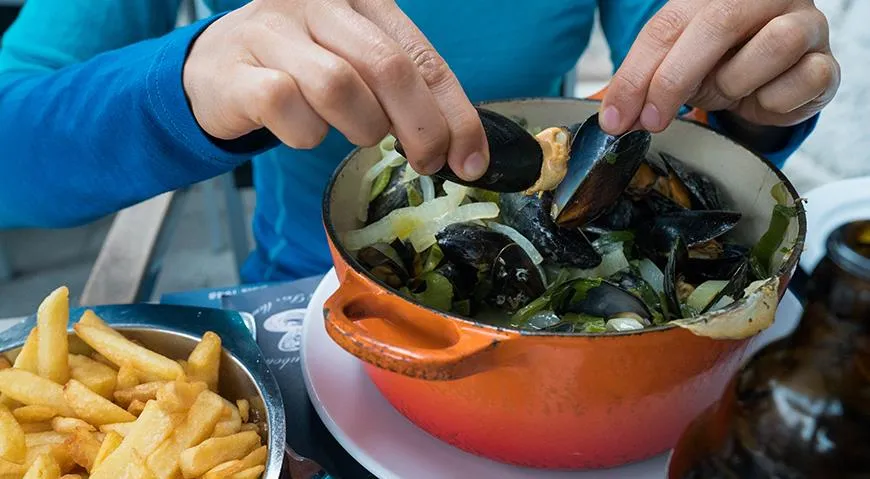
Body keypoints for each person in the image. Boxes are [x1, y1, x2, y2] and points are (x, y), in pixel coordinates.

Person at [0, 0, 840, 283]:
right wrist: (183, 81)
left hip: (571, 296)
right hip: (308, 303)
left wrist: (751, 95)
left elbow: (678, 106)